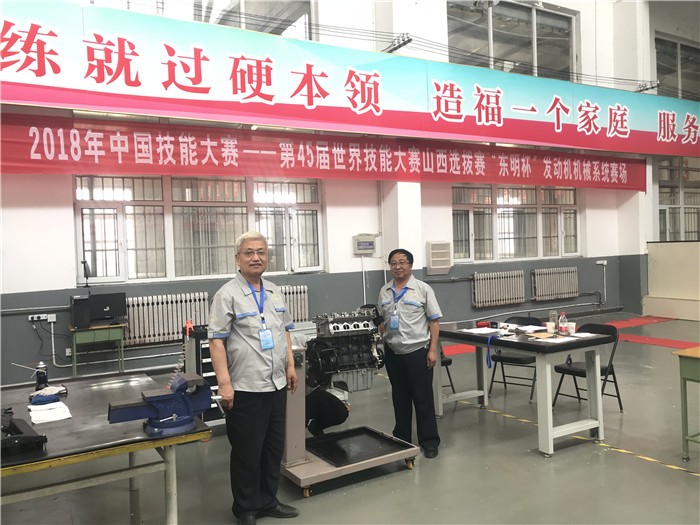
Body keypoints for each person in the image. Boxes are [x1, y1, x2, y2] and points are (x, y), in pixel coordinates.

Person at [208, 232, 299, 525]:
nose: (256, 257)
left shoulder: (274, 291)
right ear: (238, 258)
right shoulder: (227, 295)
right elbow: (216, 341)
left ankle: (268, 500)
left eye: (261, 252)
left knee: (273, 448)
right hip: (246, 387)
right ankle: (245, 508)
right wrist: (224, 383)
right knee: (247, 452)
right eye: (249, 252)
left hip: (276, 384)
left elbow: (284, 331)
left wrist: (290, 365)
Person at [377, 248, 442, 458]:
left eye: (402, 262)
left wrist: (432, 350)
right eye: (393, 263)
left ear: (410, 265)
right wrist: (382, 339)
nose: (398, 267)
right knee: (399, 397)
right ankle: (402, 439)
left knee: (423, 399)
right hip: (393, 352)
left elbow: (434, 321)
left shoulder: (423, 289)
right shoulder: (384, 291)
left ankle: (429, 442)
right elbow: (382, 320)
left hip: (417, 352)